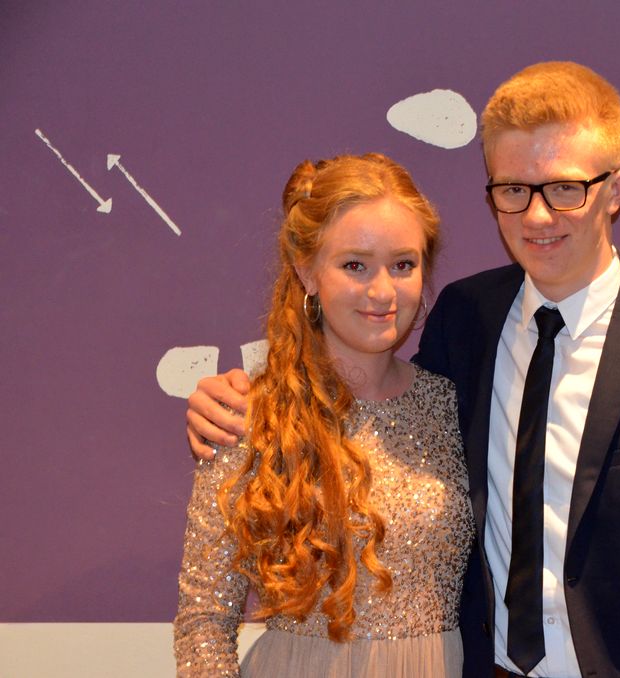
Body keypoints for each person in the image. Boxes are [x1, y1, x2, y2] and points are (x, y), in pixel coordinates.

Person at [187, 62, 620, 677]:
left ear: (616, 190)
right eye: (513, 189)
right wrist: (234, 396)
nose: (537, 217)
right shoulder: (466, 321)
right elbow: (360, 410)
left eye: (565, 188)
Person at [173, 153, 473, 677]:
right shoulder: (249, 416)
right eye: (355, 265)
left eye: (403, 265)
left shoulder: (456, 405)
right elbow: (204, 620)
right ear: (306, 271)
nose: (383, 291)